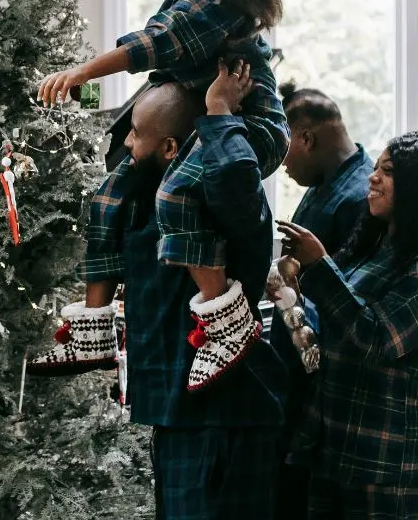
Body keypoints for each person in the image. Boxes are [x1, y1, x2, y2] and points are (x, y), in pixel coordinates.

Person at [31, 0, 289, 390]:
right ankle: (93, 333)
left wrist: (80, 73)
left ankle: (226, 319)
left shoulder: (214, 6)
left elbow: (146, 47)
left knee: (176, 193)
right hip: (200, 115)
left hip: (247, 124)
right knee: (108, 196)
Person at [59, 65, 286, 517]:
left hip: (222, 420)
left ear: (169, 149)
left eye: (138, 135)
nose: (126, 144)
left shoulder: (220, 200)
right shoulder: (145, 198)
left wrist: (219, 111)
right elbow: (119, 150)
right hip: (177, 413)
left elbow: (236, 171)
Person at [279, 131, 418, 520]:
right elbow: (337, 326)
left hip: (383, 465)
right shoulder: (373, 248)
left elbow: (374, 339)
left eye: (388, 172)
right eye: (375, 169)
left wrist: (321, 265)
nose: (373, 177)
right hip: (333, 448)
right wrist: (294, 289)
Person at [272, 84, 374, 520]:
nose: (282, 165)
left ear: (306, 138)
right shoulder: (324, 183)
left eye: (284, 151)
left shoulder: (358, 201)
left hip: (320, 389)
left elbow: (345, 306)